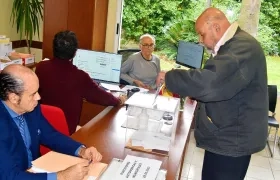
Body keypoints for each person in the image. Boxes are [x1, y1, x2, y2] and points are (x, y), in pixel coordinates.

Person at [156, 7, 268, 180]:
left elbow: (211, 83)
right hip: (226, 136)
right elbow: (223, 84)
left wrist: (171, 78)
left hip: (231, 143)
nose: (200, 40)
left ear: (216, 27)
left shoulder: (242, 47)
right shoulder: (232, 45)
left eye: (201, 34)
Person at [0, 64, 102, 180]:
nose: (38, 98)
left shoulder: (30, 108)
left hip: (35, 170)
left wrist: (81, 150)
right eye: (33, 94)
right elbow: (9, 176)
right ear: (13, 98)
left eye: (38, 91)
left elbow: (50, 135)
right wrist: (62, 176)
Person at [35, 30, 126, 135]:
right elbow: (101, 96)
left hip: (41, 128)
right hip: (66, 133)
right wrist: (118, 100)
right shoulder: (80, 76)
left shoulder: (41, 67)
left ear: (54, 48)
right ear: (75, 52)